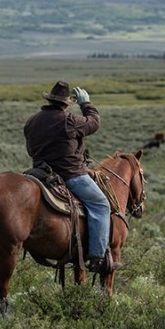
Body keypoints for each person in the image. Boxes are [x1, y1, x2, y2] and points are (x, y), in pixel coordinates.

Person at [23, 80, 111, 273]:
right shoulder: (68, 120)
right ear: (66, 103)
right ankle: (97, 256)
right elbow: (94, 123)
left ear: (50, 100)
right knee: (102, 205)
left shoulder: (32, 121)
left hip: (39, 172)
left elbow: (30, 150)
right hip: (70, 174)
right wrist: (86, 104)